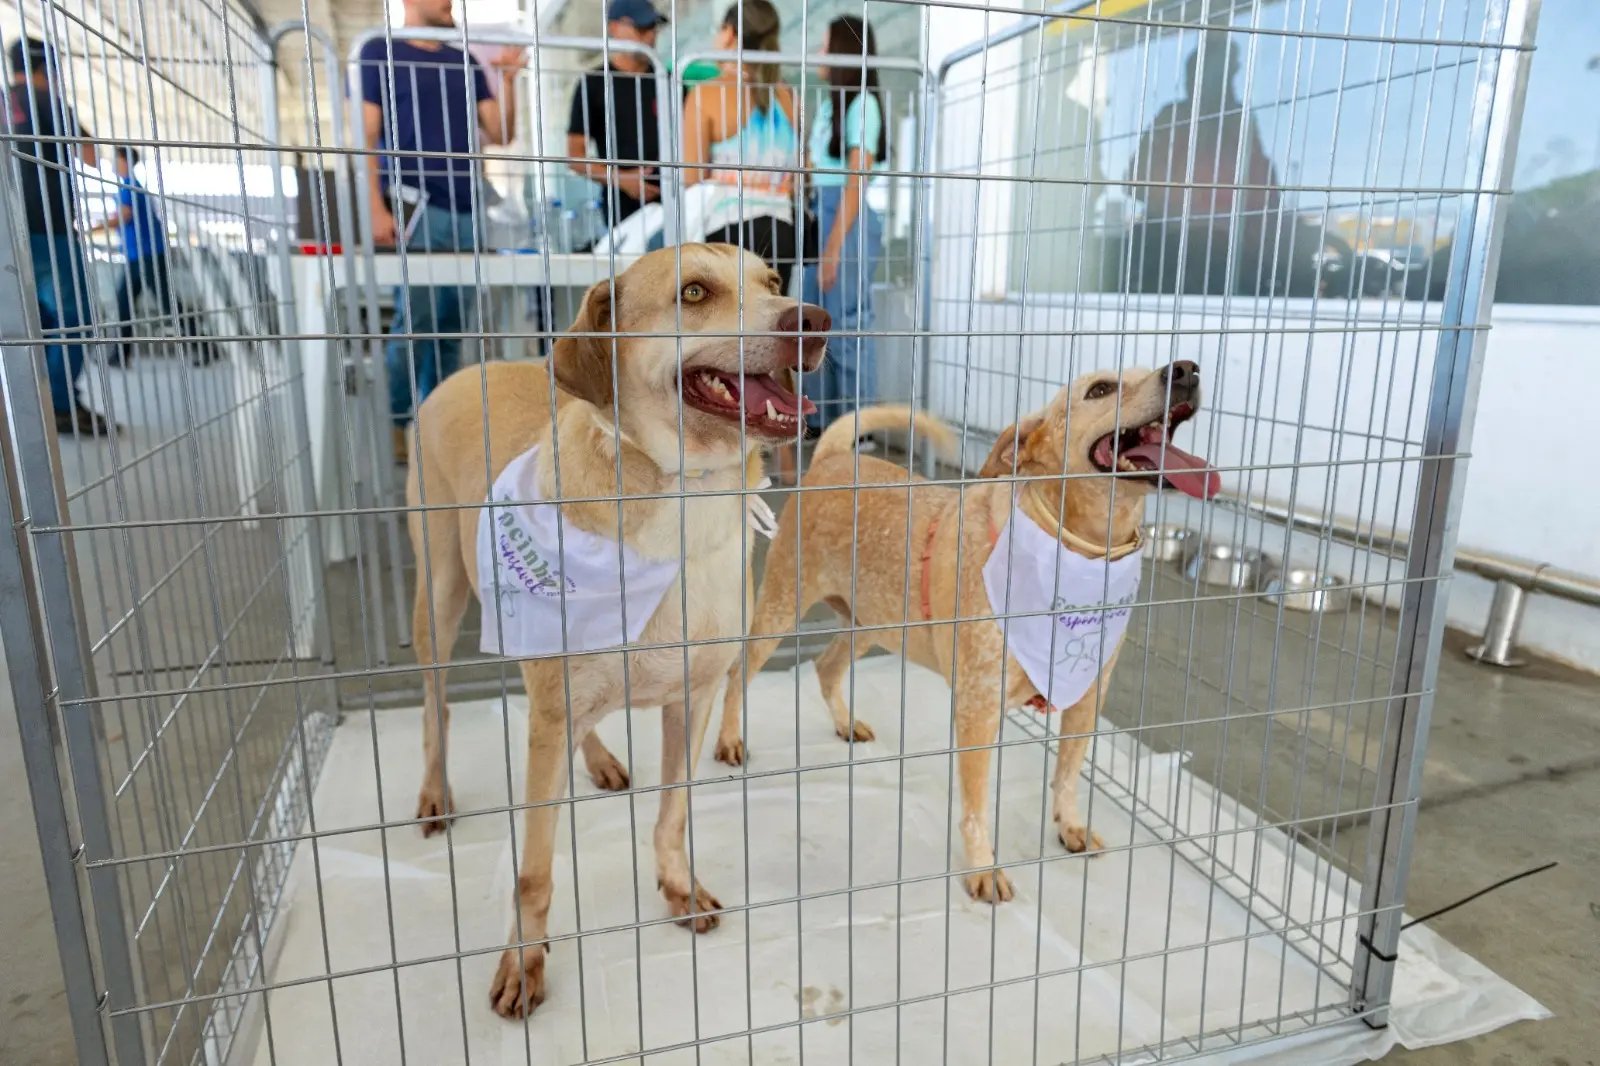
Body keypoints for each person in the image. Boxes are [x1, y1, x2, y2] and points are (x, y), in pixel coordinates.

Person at [358, 0, 525, 462]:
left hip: (468, 207)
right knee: (416, 324)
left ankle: (439, 425)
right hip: (415, 205)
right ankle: (399, 422)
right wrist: (374, 205)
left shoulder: (462, 60)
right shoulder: (378, 51)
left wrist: (508, 80)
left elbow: (501, 133)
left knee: (453, 326)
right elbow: (365, 136)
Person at [4, 37, 112, 436]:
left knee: (36, 322)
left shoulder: (3, 101)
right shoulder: (48, 102)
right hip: (49, 228)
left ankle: (31, 400)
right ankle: (59, 405)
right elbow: (90, 155)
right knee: (76, 319)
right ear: (46, 69)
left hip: (7, 232)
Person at [1124, 31, 1281, 296]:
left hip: (1234, 255)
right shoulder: (1173, 117)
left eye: (1228, 74)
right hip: (1171, 248)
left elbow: (1266, 190)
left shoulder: (1240, 121)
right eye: (1197, 73)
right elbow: (1136, 180)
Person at [803, 16, 888, 448]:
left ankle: (858, 429)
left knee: (850, 324)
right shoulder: (830, 106)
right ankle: (824, 423)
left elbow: (856, 180)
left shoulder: (863, 106)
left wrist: (833, 248)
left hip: (846, 218)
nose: (819, 54)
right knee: (817, 324)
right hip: (821, 212)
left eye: (824, 46)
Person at [680, 0, 803, 290]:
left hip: (727, 232)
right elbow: (800, 173)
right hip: (782, 231)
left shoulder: (705, 94)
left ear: (729, 33)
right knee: (774, 316)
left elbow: (692, 176)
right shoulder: (788, 96)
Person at [89, 147, 219, 368]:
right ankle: (119, 354)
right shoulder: (130, 185)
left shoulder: (129, 185)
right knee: (126, 303)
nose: (112, 164)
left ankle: (205, 346)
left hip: (146, 255)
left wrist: (94, 227)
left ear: (125, 161)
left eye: (115, 160)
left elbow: (125, 215)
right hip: (138, 255)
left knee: (166, 305)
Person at [566, 0, 667, 231]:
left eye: (653, 28)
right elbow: (575, 157)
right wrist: (622, 179)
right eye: (641, 28)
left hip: (675, 204)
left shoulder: (669, 82)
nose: (650, 36)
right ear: (614, 28)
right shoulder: (593, 84)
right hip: (622, 211)